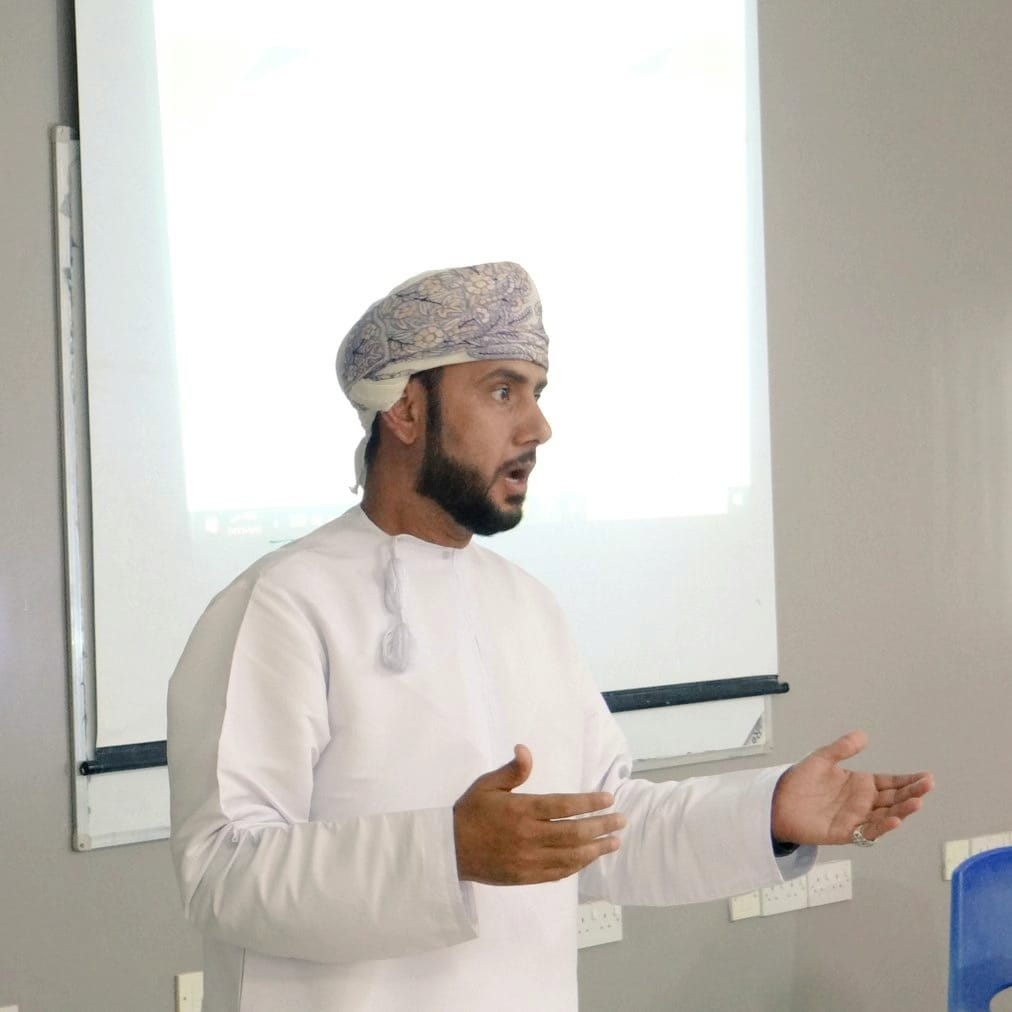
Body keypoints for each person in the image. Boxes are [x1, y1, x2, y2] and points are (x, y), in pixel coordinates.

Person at [167, 261, 933, 1012]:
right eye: (503, 391)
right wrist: (447, 852)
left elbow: (600, 824)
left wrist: (766, 812)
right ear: (405, 410)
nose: (538, 427)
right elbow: (221, 874)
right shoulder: (281, 604)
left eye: (537, 393)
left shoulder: (526, 605)